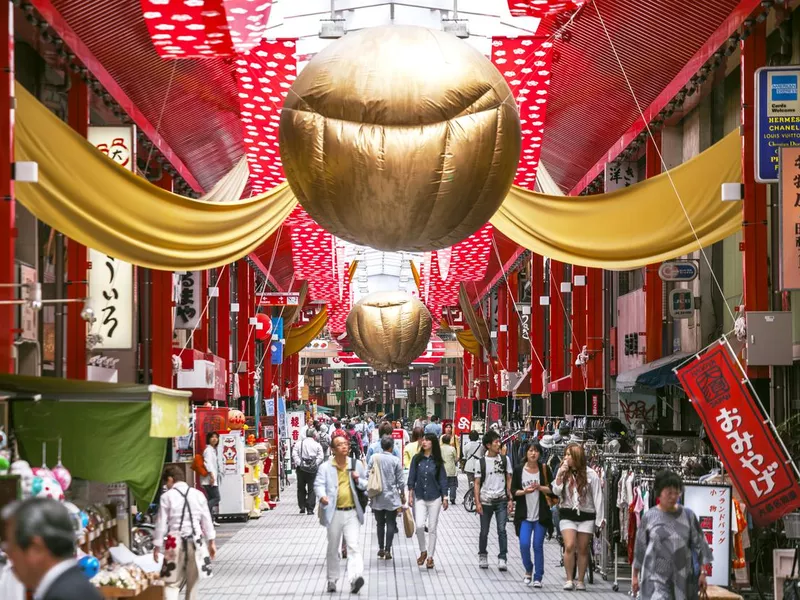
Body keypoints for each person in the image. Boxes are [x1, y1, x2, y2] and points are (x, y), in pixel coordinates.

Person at [1, 498, 103, 600]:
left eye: (11, 546)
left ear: (36, 548)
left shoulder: (61, 595)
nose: (8, 554)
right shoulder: (72, 585)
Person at [633, 470, 713, 600]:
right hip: (654, 580)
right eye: (669, 492)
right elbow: (640, 549)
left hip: (683, 579)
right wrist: (635, 576)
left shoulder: (688, 516)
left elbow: (701, 546)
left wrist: (703, 573)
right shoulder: (649, 517)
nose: (673, 496)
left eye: (676, 492)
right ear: (659, 492)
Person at [314, 434, 367, 594]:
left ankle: (355, 578)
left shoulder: (355, 464)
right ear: (332, 449)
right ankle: (332, 579)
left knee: (353, 546)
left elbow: (366, 484)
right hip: (333, 512)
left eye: (345, 444)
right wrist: (322, 496)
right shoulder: (326, 467)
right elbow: (319, 484)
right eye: (339, 445)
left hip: (351, 512)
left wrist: (358, 481)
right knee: (333, 547)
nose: (344, 447)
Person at [153, 466, 216, 600]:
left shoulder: (166, 497)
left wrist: (157, 546)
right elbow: (206, 519)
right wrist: (211, 542)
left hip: (174, 542)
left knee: (171, 583)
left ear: (170, 479)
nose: (166, 486)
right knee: (192, 584)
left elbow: (161, 524)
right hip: (197, 541)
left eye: (166, 483)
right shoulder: (198, 495)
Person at [551, 442, 604, 591]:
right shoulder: (563, 471)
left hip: (587, 515)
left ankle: (580, 580)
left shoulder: (591, 474)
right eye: (566, 454)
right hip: (567, 513)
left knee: (582, 548)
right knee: (569, 545)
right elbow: (555, 491)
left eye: (569, 455)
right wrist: (560, 475)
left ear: (577, 457)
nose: (566, 458)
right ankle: (569, 579)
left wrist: (600, 519)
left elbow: (598, 497)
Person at [511, 441, 554, 587]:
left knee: (537, 545)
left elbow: (553, 490)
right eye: (530, 450)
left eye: (536, 451)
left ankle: (538, 576)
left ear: (540, 454)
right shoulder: (518, 470)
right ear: (526, 453)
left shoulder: (544, 469)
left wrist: (540, 487)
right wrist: (525, 491)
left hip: (541, 515)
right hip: (524, 515)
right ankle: (528, 568)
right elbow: (513, 491)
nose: (533, 453)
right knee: (524, 544)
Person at [407, 433, 449, 569]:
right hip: (419, 496)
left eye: (427, 440)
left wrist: (445, 497)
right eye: (423, 440)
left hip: (435, 497)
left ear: (433, 444)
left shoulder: (437, 461)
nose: (424, 442)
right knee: (419, 526)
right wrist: (410, 493)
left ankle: (430, 557)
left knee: (432, 528)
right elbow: (411, 476)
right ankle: (423, 551)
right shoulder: (416, 459)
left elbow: (443, 479)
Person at [474, 430, 513, 571]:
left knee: (502, 530)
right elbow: (477, 483)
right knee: (484, 531)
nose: (499, 444)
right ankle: (483, 555)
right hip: (485, 501)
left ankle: (502, 558)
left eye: (498, 441)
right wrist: (477, 502)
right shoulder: (481, 462)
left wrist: (510, 498)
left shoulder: (504, 460)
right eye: (496, 442)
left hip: (501, 499)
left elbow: (509, 478)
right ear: (488, 445)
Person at [370, 436, 405, 560]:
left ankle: (380, 548)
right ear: (391, 447)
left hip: (377, 495)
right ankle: (388, 549)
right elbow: (401, 481)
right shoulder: (395, 460)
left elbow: (367, 474)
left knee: (379, 523)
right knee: (391, 522)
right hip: (391, 496)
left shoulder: (374, 458)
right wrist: (403, 494)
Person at [292, 428, 324, 515]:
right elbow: (321, 456)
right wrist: (315, 463)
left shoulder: (299, 443)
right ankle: (310, 509)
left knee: (301, 488)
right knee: (312, 489)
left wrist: (299, 462)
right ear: (314, 435)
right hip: (312, 469)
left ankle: (302, 506)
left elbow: (294, 454)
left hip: (301, 469)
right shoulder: (317, 445)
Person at [200, 432, 221, 525]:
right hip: (209, 479)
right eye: (212, 437)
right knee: (216, 498)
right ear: (208, 439)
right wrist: (212, 476)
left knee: (211, 498)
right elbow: (207, 463)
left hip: (210, 478)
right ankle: (205, 516)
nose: (214, 439)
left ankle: (210, 520)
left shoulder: (212, 450)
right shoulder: (208, 450)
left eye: (216, 437)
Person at [440, 434, 459, 505]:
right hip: (451, 469)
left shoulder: (439, 448)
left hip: (442, 469)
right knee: (453, 485)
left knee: (442, 484)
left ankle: (442, 498)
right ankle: (452, 498)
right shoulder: (452, 448)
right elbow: (456, 458)